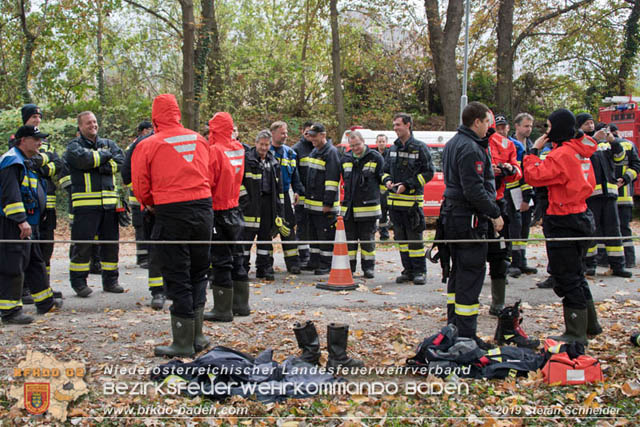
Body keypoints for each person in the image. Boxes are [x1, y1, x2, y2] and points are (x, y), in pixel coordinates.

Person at [132, 93, 213, 357]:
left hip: (171, 211)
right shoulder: (199, 139)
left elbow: (141, 184)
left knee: (177, 273)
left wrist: (150, 203)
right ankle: (198, 336)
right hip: (203, 209)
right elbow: (209, 174)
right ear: (177, 112)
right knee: (199, 271)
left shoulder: (147, 144)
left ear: (155, 116)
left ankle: (182, 342)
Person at [524, 109, 600, 345]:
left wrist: (533, 151)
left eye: (548, 127)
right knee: (576, 274)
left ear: (557, 128)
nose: (546, 132)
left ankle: (575, 333)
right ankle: (590, 324)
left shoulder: (562, 155)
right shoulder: (581, 150)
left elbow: (533, 175)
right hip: (580, 215)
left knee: (566, 277)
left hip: (563, 219)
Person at [441, 101, 502, 349]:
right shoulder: (470, 148)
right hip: (468, 220)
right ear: (476, 121)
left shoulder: (454, 143)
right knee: (470, 275)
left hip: (454, 217)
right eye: (487, 122)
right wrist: (494, 213)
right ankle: (466, 336)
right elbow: (474, 189)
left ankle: (454, 327)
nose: (489, 127)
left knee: (458, 275)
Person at [0, 125, 62, 324]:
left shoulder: (25, 162)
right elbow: (10, 194)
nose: (40, 143)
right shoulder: (12, 161)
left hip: (30, 222)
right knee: (13, 265)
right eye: (36, 139)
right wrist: (21, 220)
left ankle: (45, 302)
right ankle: (10, 311)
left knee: (35, 262)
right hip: (13, 224)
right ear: (23, 140)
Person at [64, 111, 125, 297]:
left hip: (109, 206)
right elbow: (82, 160)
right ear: (80, 126)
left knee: (110, 245)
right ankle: (79, 283)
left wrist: (98, 161)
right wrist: (104, 158)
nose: (93, 125)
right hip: (85, 206)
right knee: (82, 246)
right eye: (88, 123)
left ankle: (111, 281)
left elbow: (121, 161)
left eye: (95, 122)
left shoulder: (108, 143)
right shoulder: (73, 147)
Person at [9, 104, 64, 304]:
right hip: (25, 215)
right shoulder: (15, 151)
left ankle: (43, 293)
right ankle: (20, 297)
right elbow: (14, 189)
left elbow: (59, 164)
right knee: (22, 256)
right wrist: (21, 219)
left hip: (42, 211)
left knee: (41, 253)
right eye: (33, 116)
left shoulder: (37, 148)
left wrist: (40, 163)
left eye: (39, 116)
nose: (37, 120)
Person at [204, 112, 247, 322]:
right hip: (235, 207)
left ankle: (222, 309)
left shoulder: (214, 151)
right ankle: (241, 304)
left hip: (218, 208)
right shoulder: (239, 148)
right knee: (237, 257)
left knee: (220, 260)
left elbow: (209, 181)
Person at [576, 114, 631, 278]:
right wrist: (594, 138)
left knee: (613, 230)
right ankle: (589, 265)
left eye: (593, 123)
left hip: (610, 194)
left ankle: (618, 266)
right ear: (580, 127)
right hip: (591, 195)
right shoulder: (581, 142)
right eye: (587, 124)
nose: (591, 126)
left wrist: (613, 141)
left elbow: (620, 158)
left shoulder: (606, 143)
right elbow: (583, 157)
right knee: (591, 231)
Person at [382, 113, 434, 285]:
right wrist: (388, 180)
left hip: (412, 204)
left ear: (408, 125)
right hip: (394, 204)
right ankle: (408, 270)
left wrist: (408, 185)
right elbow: (384, 170)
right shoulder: (393, 148)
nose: (395, 128)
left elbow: (428, 173)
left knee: (414, 240)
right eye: (394, 125)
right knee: (402, 241)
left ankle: (420, 271)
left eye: (398, 125)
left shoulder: (420, 148)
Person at [121, 120, 166, 310]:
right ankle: (162, 290)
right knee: (163, 250)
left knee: (158, 250)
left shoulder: (143, 143)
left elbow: (127, 175)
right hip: (162, 207)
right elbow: (127, 174)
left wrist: (146, 199)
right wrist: (145, 198)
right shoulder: (143, 143)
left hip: (155, 206)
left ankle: (160, 291)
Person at [487, 114, 521, 316]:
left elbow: (518, 170)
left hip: (498, 201)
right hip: (476, 205)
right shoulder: (473, 142)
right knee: (469, 255)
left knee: (499, 254)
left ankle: (498, 303)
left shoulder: (507, 145)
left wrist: (507, 169)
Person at [240, 130, 286, 280]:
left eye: (267, 145)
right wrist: (245, 201)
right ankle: (242, 269)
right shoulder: (246, 160)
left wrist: (279, 210)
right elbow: (238, 183)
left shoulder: (273, 162)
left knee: (265, 238)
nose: (264, 148)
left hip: (268, 204)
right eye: (262, 144)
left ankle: (264, 268)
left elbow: (278, 188)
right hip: (250, 205)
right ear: (256, 143)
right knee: (246, 239)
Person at [340, 130, 384, 278]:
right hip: (350, 209)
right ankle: (350, 268)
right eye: (352, 146)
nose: (355, 148)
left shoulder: (375, 157)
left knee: (367, 241)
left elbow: (382, 179)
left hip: (368, 208)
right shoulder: (345, 158)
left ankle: (368, 268)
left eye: (357, 144)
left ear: (363, 142)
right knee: (350, 242)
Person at [303, 123, 341, 274]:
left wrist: (328, 203)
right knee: (314, 234)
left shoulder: (331, 153)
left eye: (314, 135)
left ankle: (325, 264)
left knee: (325, 235)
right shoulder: (314, 151)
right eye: (310, 135)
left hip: (324, 206)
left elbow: (332, 181)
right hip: (312, 205)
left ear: (323, 135)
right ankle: (314, 261)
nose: (311, 138)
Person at [270, 121, 304, 274]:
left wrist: (297, 191)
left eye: (286, 133)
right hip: (269, 196)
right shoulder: (265, 150)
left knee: (288, 230)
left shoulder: (290, 153)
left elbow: (295, 175)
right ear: (273, 133)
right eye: (282, 133)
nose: (285, 136)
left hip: (285, 195)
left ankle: (293, 264)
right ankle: (265, 266)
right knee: (267, 231)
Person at [506, 113, 537, 277]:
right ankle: (513, 261)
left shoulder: (532, 146)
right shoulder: (511, 145)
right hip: (513, 193)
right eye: (526, 126)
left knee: (525, 227)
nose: (529, 129)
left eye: (530, 126)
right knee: (514, 229)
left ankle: (522, 260)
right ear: (516, 126)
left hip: (529, 192)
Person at [611, 123, 640, 268]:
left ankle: (606, 260)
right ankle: (629, 259)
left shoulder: (603, 146)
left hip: (609, 196)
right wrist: (626, 179)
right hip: (625, 196)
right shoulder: (630, 145)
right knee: (625, 229)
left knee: (608, 230)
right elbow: (636, 167)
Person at [126, 121, 153, 268]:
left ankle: (147, 256)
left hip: (145, 197)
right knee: (140, 227)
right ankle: (142, 257)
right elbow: (128, 173)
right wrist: (137, 188)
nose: (151, 131)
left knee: (146, 228)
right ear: (142, 131)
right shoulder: (134, 147)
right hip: (137, 198)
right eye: (149, 129)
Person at [292, 121, 314, 269]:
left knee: (314, 227)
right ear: (302, 132)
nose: (309, 135)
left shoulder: (321, 148)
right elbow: (295, 174)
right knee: (302, 227)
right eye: (306, 132)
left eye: (311, 133)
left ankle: (314, 256)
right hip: (302, 196)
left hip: (316, 198)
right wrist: (299, 190)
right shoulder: (296, 150)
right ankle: (303, 256)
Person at [375, 134, 391, 240]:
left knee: (393, 211)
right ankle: (383, 234)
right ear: (376, 142)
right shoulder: (373, 155)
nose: (381, 143)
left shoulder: (390, 154)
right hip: (377, 189)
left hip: (389, 188)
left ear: (386, 142)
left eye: (383, 141)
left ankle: (396, 234)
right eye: (379, 141)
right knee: (381, 213)